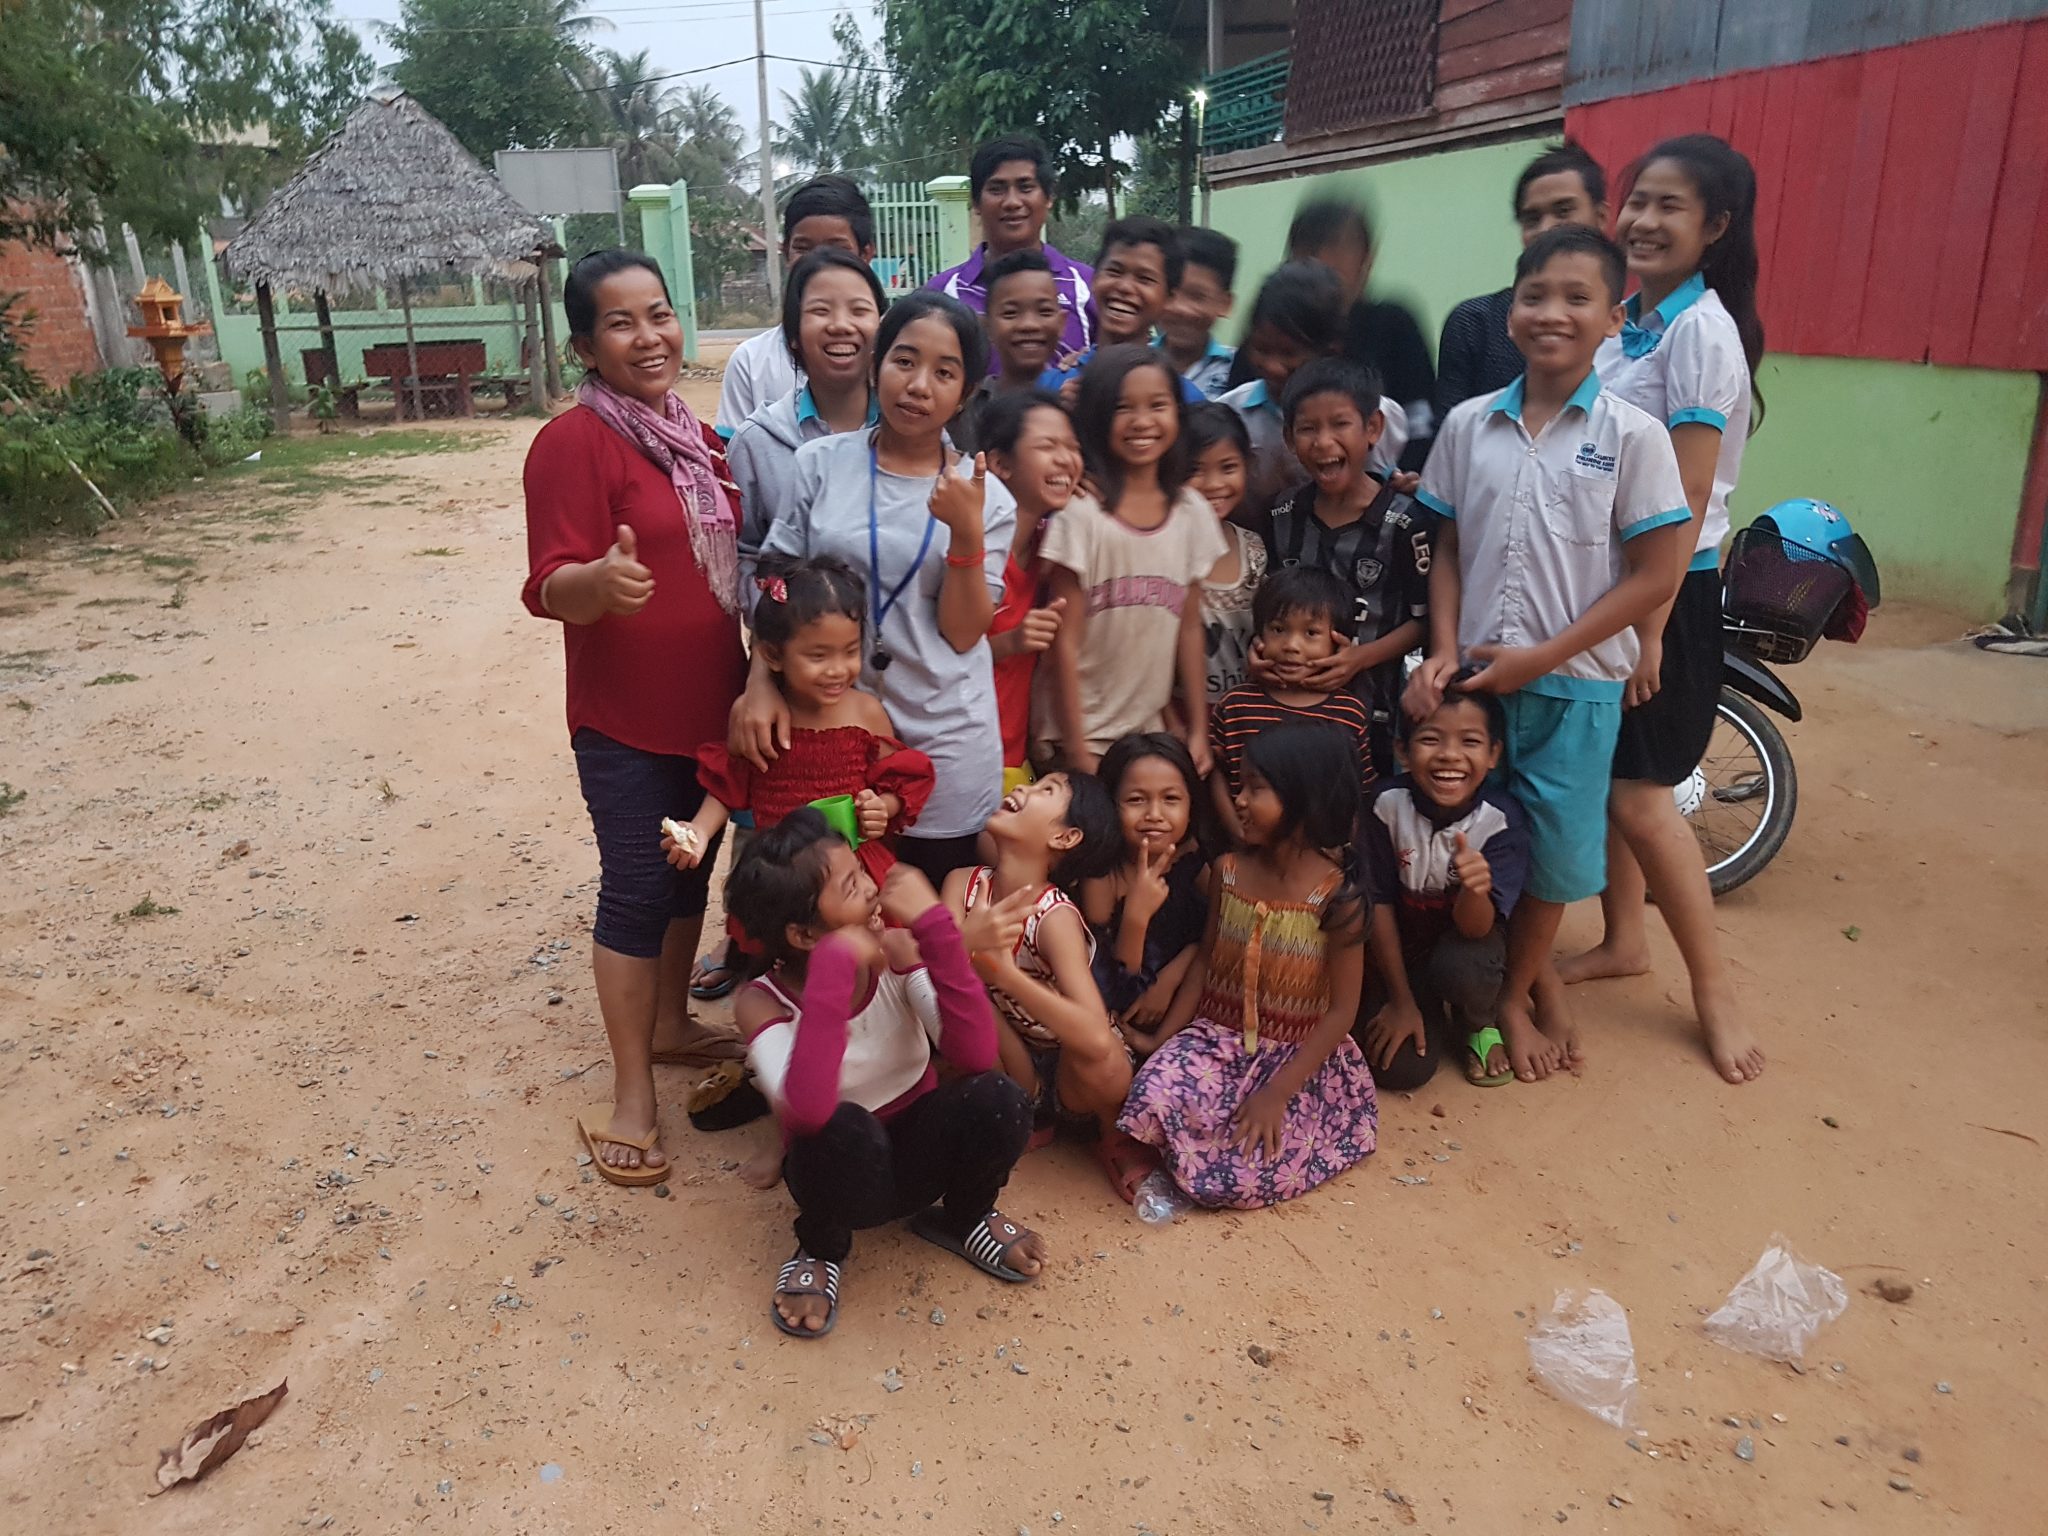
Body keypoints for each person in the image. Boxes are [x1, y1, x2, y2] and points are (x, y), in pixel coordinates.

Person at [1404, 224, 1692, 1084]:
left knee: (1560, 861)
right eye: (1535, 295)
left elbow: (1655, 573)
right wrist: (1443, 648)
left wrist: (1545, 657)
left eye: (1578, 298)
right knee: (1474, 844)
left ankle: (1507, 998)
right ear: (1512, 308)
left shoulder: (1634, 435)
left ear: (1615, 317)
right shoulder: (1466, 425)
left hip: (1574, 690)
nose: (1552, 313)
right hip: (1474, 691)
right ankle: (1503, 992)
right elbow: (1449, 547)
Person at [521, 250, 749, 1184]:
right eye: (621, 323)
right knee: (633, 886)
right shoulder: (571, 444)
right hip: (620, 718)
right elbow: (546, 587)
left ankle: (666, 1024)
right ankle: (630, 1095)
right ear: (584, 343)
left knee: (687, 877)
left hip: (713, 703)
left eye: (659, 314)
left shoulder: (697, 438)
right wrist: (597, 583)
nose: (648, 336)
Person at [1561, 134, 1768, 1086]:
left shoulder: (1701, 333)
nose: (1641, 220)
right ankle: (1622, 941)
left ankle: (1716, 992)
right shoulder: (1636, 319)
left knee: (1643, 796)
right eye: (1636, 200)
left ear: (1715, 227)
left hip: (1669, 588)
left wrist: (1646, 628)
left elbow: (1683, 495)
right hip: (1616, 581)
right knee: (1612, 776)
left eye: (1669, 206)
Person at [736, 291, 1016, 886]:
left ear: (965, 392)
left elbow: (964, 633)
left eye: (944, 373)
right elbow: (775, 583)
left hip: (946, 739)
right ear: (876, 365)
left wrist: (965, 531)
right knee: (834, 914)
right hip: (833, 733)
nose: (919, 385)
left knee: (936, 926)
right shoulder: (819, 464)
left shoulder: (985, 494)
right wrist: (760, 682)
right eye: (905, 360)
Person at [729, 815, 1045, 1339]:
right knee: (839, 1127)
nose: (875, 890)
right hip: (840, 1172)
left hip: (922, 1156)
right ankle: (822, 1246)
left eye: (863, 873)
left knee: (1000, 1097)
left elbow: (974, 1055)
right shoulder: (761, 1003)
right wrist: (835, 967)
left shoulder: (895, 954)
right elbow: (807, 1111)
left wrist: (936, 930)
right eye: (852, 886)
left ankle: (965, 1216)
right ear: (803, 934)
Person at [1116, 722, 1377, 1209]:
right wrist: (1161, 1041)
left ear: (1305, 798)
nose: (1238, 799)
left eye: (1256, 788)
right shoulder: (1228, 873)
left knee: (1249, 1170)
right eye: (1241, 784)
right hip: (1216, 1043)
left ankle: (1208, 1155)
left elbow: (1342, 1011)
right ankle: (1193, 1148)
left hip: (1297, 1060)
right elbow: (1206, 964)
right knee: (1151, 1092)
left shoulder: (1338, 897)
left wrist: (1277, 1093)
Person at [663, 555, 933, 885]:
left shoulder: (867, 712)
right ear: (774, 655)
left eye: (849, 651)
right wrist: (700, 829)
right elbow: (729, 783)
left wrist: (881, 808)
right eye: (818, 656)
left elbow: (896, 780)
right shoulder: (758, 718)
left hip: (852, 874)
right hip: (781, 875)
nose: (837, 669)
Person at [1037, 345, 1228, 774]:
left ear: (1178, 414)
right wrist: (1076, 747)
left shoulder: (1192, 512)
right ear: (1099, 417)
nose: (1142, 422)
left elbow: (1191, 627)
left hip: (1145, 734)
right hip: (1079, 734)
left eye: (1157, 405)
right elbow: (1062, 644)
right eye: (1124, 408)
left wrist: (1198, 729)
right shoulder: (1079, 514)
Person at [946, 773, 1130, 1188]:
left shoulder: (1054, 917)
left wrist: (1003, 973)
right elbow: (934, 980)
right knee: (954, 993)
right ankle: (1027, 1116)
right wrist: (966, 946)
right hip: (1009, 1061)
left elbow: (1095, 1037)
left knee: (1109, 1062)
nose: (1021, 789)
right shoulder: (963, 885)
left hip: (1071, 1074)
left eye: (1045, 790)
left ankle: (1112, 1131)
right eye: (1031, 783)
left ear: (1066, 837)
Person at [1252, 356, 1433, 773]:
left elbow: (1424, 621)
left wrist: (1360, 658)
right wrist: (1258, 652)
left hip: (1373, 715)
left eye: (1340, 424)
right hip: (1287, 711)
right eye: (1307, 428)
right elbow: (1268, 608)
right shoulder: (1282, 515)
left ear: (1372, 429)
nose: (1323, 442)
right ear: (1288, 437)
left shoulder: (1406, 522)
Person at [1356, 688, 1530, 1091]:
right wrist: (1400, 1001)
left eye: (1470, 742)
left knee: (1462, 967)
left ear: (1493, 754)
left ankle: (1477, 1022)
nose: (1450, 755)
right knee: (1401, 1071)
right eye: (1431, 739)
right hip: (1400, 950)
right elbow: (1377, 903)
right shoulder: (1385, 805)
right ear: (1402, 749)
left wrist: (1474, 890)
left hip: (1464, 948)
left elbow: (1476, 931)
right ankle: (1420, 1003)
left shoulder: (1501, 822)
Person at [730, 249, 887, 593]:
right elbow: (744, 556)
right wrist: (780, 621)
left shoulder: (913, 431)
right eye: (820, 311)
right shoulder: (757, 442)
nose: (841, 325)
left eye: (859, 310)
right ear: (793, 336)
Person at [1436, 141, 1609, 424]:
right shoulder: (1474, 324)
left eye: (1563, 211)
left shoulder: (1633, 334)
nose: (1546, 228)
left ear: (1601, 217)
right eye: (1532, 218)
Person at [1220, 262, 1406, 516]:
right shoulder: (1232, 414)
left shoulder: (1373, 414)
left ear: (1330, 350)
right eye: (1261, 349)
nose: (1272, 366)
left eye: (1289, 353)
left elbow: (1383, 487)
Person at [1210, 566, 1376, 840]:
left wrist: (1343, 847)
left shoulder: (1348, 711)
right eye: (1278, 629)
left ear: (1338, 641)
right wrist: (1237, 833)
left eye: (1311, 633)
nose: (1291, 645)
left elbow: (1358, 788)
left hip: (1320, 855)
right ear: (1259, 635)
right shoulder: (1236, 706)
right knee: (1228, 880)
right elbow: (1218, 773)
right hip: (1246, 848)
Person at [1081, 733, 1211, 1053]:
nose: (1154, 814)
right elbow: (1116, 991)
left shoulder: (1197, 863)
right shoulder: (1101, 876)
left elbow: (1216, 944)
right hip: (1120, 1022)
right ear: (1110, 804)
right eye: (1136, 800)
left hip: (1189, 1019)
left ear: (1192, 804)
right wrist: (1136, 916)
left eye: (1171, 799)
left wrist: (1176, 972)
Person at [717, 176, 875, 436]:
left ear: (866, 254)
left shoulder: (897, 356)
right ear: (785, 252)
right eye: (804, 248)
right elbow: (734, 464)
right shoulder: (751, 363)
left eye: (838, 249)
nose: (820, 261)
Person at [1286, 198, 1436, 469]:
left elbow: (1420, 424)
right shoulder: (1273, 334)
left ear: (1368, 257)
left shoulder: (1395, 325)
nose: (1324, 261)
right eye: (1310, 249)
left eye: (1339, 247)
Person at [928, 136, 1094, 373]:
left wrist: (1096, 364)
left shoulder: (1087, 286)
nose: (1012, 202)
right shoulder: (941, 295)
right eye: (997, 189)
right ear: (976, 202)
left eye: (1025, 187)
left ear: (1048, 198)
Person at [980, 389, 1077, 789]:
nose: (1066, 459)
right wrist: (1010, 643)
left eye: (1073, 447)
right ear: (1000, 463)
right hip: (961, 757)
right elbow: (927, 657)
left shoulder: (1050, 546)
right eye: (1048, 446)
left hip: (1013, 759)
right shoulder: (971, 549)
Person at [1037, 217, 1205, 402]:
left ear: (1168, 298)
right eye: (1114, 271)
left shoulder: (1183, 399)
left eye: (1144, 279)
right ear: (1094, 279)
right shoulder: (1049, 389)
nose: (1124, 287)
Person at [1186, 404, 1266, 705]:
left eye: (1228, 468)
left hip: (1245, 711)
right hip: (1178, 713)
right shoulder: (1162, 550)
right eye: (1195, 470)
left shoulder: (1254, 549)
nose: (1214, 484)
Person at [954, 249, 1065, 455]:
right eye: (1010, 313)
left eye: (1044, 311)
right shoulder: (965, 410)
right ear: (987, 326)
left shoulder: (1075, 398)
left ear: (1062, 322)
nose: (1029, 325)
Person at [1163, 225, 1239, 399]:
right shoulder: (1135, 362)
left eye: (1197, 296)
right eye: (1170, 292)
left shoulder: (1238, 371)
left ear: (1226, 304)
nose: (1179, 308)